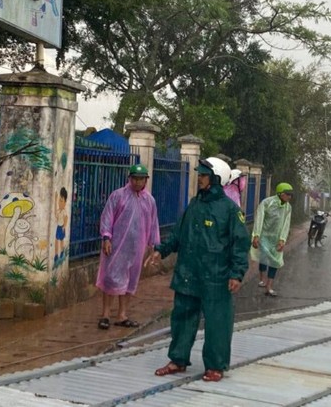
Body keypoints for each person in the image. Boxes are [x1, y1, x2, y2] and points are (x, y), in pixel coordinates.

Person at [146, 157, 250, 382]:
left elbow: (240, 244)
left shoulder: (230, 211)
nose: (199, 178)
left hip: (217, 278)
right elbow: (178, 234)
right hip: (188, 274)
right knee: (182, 319)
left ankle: (215, 366)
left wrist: (236, 273)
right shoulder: (194, 205)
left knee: (217, 324)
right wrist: (160, 251)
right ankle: (178, 360)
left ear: (215, 179)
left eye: (203, 175)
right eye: (200, 174)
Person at [96, 164, 160, 329]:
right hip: (116, 246)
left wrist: (155, 247)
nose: (138, 182)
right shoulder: (118, 196)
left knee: (131, 280)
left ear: (146, 180)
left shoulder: (150, 200)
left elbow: (153, 225)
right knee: (111, 278)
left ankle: (122, 315)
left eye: (141, 179)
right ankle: (105, 314)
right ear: (129, 179)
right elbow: (107, 217)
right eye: (135, 178)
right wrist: (106, 238)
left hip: (137, 248)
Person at [251, 183, 294, 297]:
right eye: (288, 194)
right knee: (264, 257)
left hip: (276, 238)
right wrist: (256, 235)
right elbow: (259, 219)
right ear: (280, 193)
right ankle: (262, 278)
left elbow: (286, 224)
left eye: (291, 195)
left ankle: (269, 286)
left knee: (275, 261)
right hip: (264, 236)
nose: (289, 197)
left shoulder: (288, 207)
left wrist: (282, 239)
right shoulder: (267, 203)